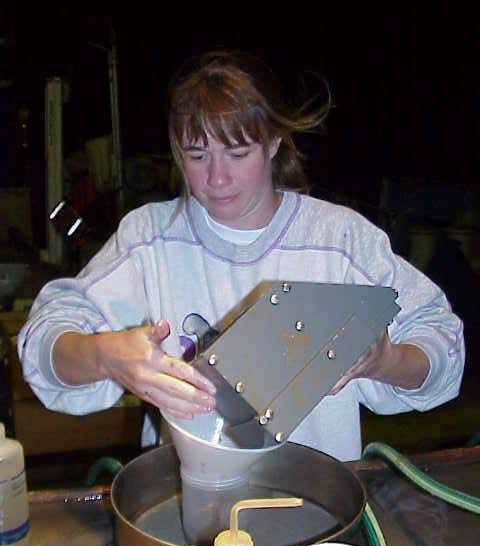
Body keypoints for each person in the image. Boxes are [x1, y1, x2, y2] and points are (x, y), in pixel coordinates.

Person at [18, 50, 464, 461]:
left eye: (237, 152)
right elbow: (45, 338)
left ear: (274, 142)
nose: (216, 178)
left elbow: (441, 340)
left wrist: (387, 361)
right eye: (196, 155)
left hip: (315, 505)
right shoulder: (149, 238)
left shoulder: (339, 242)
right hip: (188, 503)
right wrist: (105, 355)